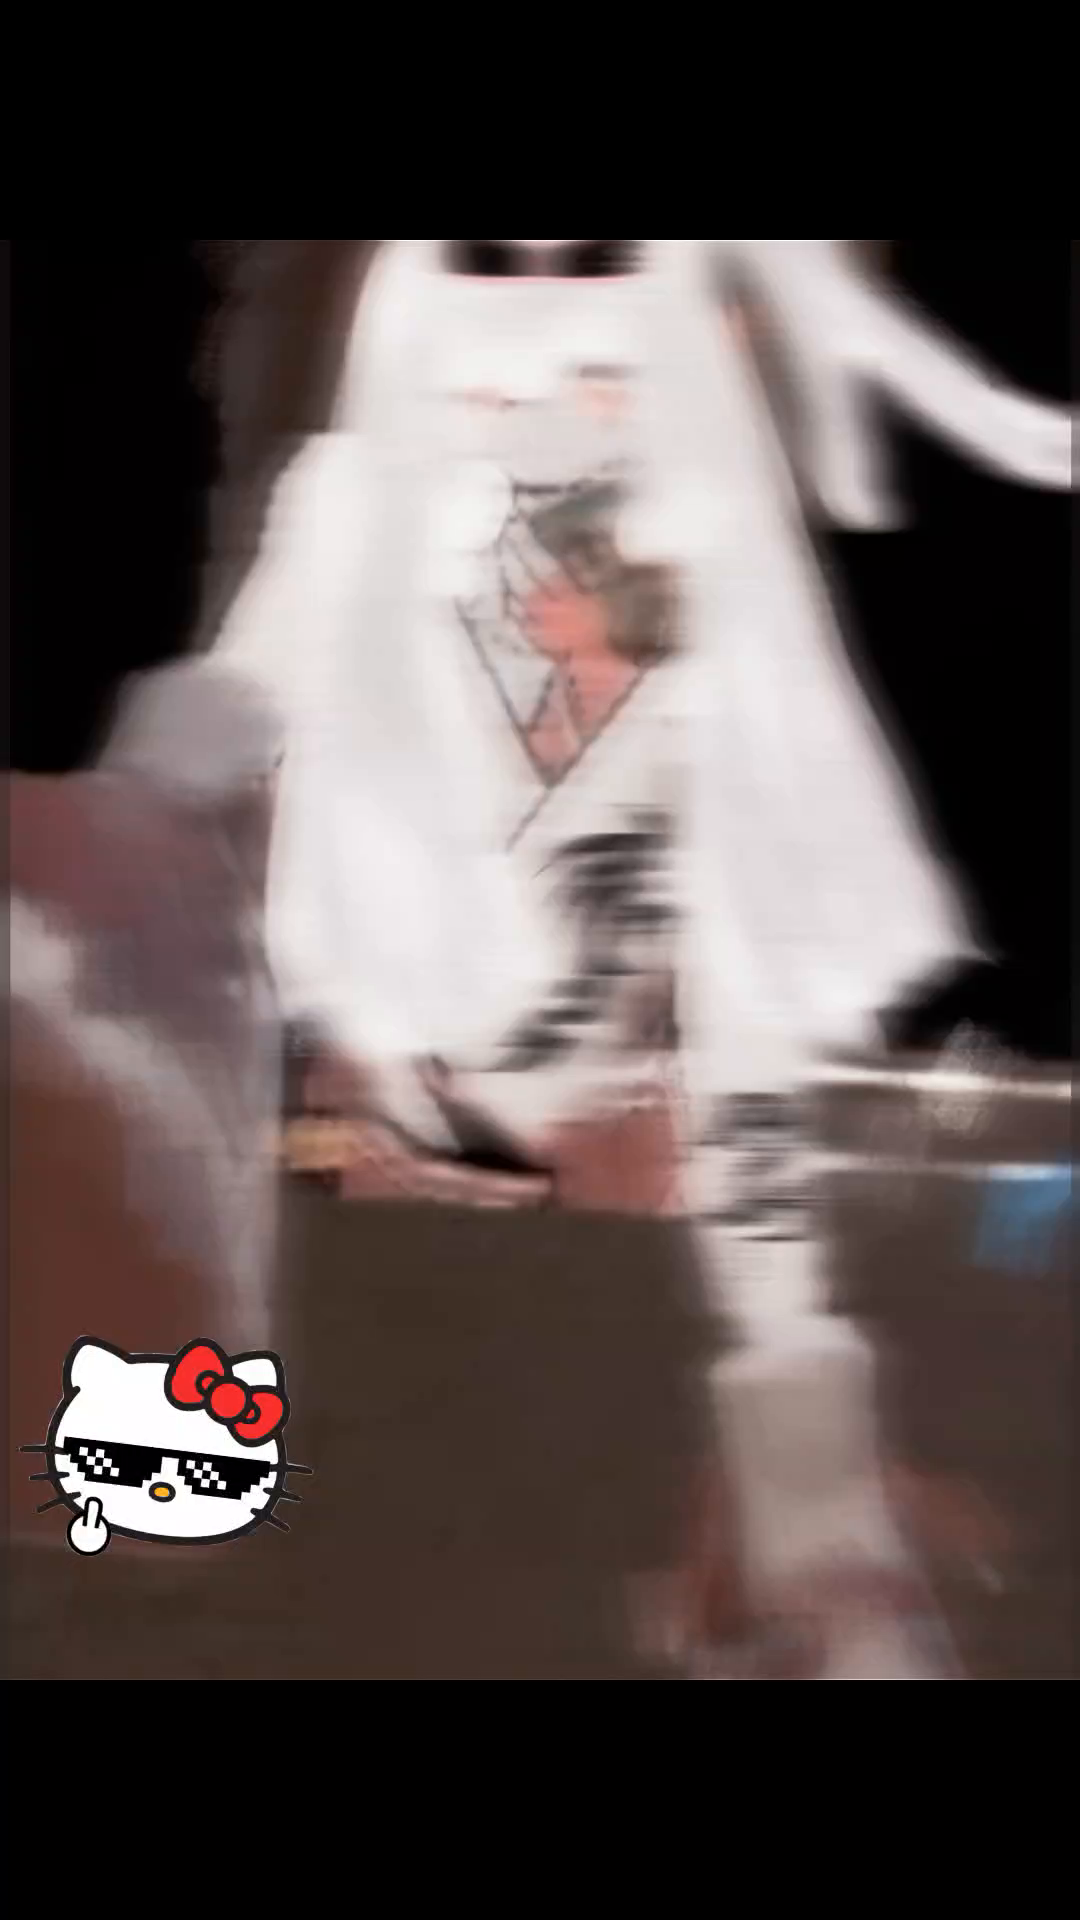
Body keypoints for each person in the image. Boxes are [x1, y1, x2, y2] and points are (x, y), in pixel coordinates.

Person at [91, 240, 1073, 1677]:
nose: (548, 384)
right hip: (415, 1111)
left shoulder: (703, 574)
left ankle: (798, 1541)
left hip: (615, 1129)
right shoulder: (364, 518)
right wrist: (124, 835)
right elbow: (238, 696)